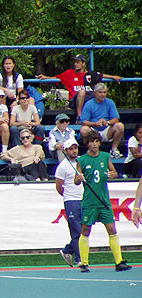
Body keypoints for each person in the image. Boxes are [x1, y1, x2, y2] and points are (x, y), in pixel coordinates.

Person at [73, 130, 131, 273]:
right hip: (89, 201)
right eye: (91, 142)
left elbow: (114, 172)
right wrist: (79, 179)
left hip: (104, 200)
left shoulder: (105, 157)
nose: (94, 144)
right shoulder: (82, 160)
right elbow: (75, 180)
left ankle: (118, 262)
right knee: (85, 230)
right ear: (87, 144)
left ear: (99, 143)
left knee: (112, 229)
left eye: (96, 141)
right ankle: (84, 263)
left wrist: (113, 174)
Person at [37, 54, 122, 119]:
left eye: (78, 62)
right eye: (74, 62)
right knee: (81, 92)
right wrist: (45, 77)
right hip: (75, 100)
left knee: (99, 93)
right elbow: (56, 78)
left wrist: (114, 77)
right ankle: (79, 117)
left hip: (88, 99)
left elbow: (102, 75)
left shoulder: (90, 74)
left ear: (83, 63)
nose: (75, 64)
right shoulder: (69, 73)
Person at [55, 139, 83, 267]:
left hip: (83, 199)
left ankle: (68, 250)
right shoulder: (63, 166)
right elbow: (59, 187)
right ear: (66, 151)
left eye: (75, 148)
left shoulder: (81, 161)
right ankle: (79, 258)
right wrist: (68, 196)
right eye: (71, 149)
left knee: (84, 229)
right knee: (76, 230)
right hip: (71, 200)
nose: (74, 151)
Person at [80, 83, 125, 159]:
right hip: (93, 130)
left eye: (104, 92)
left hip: (106, 130)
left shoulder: (110, 102)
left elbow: (116, 118)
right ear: (95, 93)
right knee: (84, 129)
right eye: (100, 92)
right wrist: (95, 124)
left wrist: (107, 122)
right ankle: (89, 150)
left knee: (120, 126)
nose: (102, 94)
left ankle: (114, 149)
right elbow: (84, 121)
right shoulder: (89, 104)